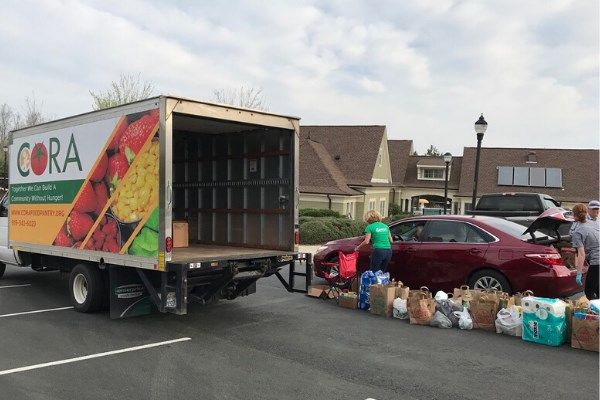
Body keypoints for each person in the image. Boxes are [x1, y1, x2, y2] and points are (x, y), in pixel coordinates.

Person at [571, 203, 599, 300]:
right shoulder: (594, 223)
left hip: (597, 261)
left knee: (589, 292)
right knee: (598, 290)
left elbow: (581, 254)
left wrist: (579, 273)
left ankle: (596, 313)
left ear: (574, 215)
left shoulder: (577, 231)